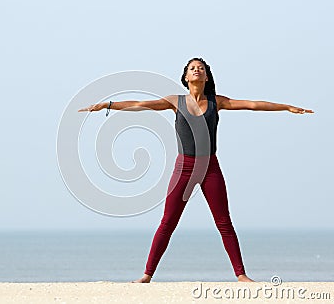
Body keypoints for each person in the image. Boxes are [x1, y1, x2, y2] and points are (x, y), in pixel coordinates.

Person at [78, 57, 314, 283]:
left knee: (224, 222)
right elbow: (141, 105)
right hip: (184, 168)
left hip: (210, 167)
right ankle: (147, 275)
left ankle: (241, 275)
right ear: (185, 76)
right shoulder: (175, 101)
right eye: (192, 68)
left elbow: (253, 105)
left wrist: (286, 107)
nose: (197, 70)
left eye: (200, 68)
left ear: (207, 76)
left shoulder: (216, 102)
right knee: (168, 222)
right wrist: (107, 105)